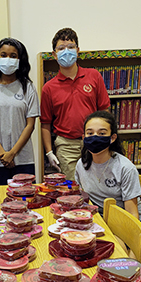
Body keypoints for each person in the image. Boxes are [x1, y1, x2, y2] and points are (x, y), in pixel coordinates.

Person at [75, 110, 141, 282]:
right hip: (102, 222)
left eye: (101, 133)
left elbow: (132, 213)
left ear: (112, 138)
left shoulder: (125, 167)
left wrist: (133, 245)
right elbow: (83, 199)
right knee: (113, 262)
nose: (95, 137)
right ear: (83, 137)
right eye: (90, 133)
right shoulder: (81, 165)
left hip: (134, 221)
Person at [40, 27, 111, 181]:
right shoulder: (48, 88)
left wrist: (106, 140)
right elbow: (45, 123)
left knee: (98, 183)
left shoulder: (94, 76)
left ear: (78, 50)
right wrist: (49, 152)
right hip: (66, 145)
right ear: (54, 54)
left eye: (71, 47)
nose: (67, 51)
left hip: (94, 140)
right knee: (73, 188)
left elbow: (104, 112)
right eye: (61, 48)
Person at [0, 37, 40, 185]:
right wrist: (4, 155)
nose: (8, 59)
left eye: (13, 56)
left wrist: (12, 153)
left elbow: (30, 125)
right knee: (1, 201)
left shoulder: (28, 87)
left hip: (23, 158)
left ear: (20, 60)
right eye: (3, 55)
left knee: (26, 201)